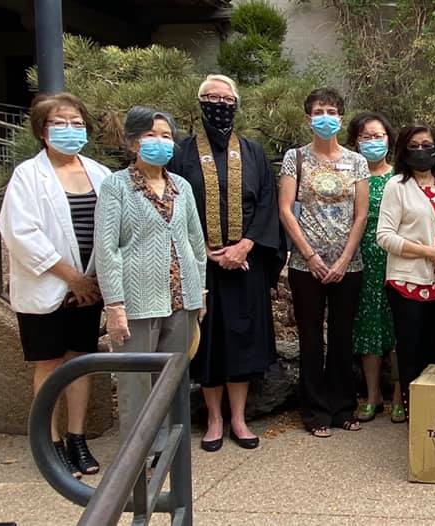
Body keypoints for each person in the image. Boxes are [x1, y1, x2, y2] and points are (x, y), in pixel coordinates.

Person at [168, 75, 283, 452]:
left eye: (226, 97)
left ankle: (238, 417)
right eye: (211, 97)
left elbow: (267, 203)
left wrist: (246, 245)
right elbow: (177, 208)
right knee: (208, 344)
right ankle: (213, 419)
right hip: (200, 266)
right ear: (200, 103)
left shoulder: (253, 152)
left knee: (242, 342)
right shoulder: (181, 154)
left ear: (236, 103)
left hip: (245, 265)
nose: (219, 103)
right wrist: (204, 249)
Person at [0, 93, 110, 478]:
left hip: (89, 288)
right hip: (49, 285)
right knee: (49, 362)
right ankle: (52, 441)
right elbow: (21, 232)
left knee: (80, 361)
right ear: (43, 131)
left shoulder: (100, 174)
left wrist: (90, 280)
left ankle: (78, 437)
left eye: (77, 123)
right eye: (59, 123)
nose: (69, 130)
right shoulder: (28, 175)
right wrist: (70, 277)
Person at [95, 107, 207, 452]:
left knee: (172, 381)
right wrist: (114, 304)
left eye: (166, 136)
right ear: (132, 142)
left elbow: (195, 242)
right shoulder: (117, 186)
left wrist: (200, 290)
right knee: (136, 384)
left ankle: (169, 451)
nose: (160, 142)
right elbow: (107, 248)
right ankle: (135, 457)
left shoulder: (182, 186)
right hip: (137, 300)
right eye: (151, 135)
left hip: (182, 298)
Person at [278, 88, 368, 438]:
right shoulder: (295, 158)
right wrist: (310, 256)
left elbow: (361, 215)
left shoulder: (356, 161)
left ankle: (343, 406)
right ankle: (315, 411)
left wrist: (345, 258)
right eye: (319, 111)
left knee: (343, 337)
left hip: (349, 264)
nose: (325, 117)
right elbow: (286, 209)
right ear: (308, 118)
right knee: (312, 338)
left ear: (341, 117)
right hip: (306, 266)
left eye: (332, 111)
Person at [376, 123, 435, 419]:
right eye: (415, 145)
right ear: (403, 151)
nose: (422, 151)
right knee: (411, 352)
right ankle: (415, 416)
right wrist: (426, 252)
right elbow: (384, 236)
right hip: (407, 284)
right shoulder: (396, 186)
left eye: (428, 144)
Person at [344, 111, 406, 424]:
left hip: (395, 261)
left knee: (396, 327)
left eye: (378, 136)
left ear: (389, 140)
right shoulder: (351, 177)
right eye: (366, 136)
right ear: (355, 141)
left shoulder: (399, 178)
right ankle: (372, 396)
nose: (372, 142)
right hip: (361, 261)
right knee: (368, 327)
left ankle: (399, 396)